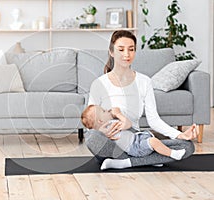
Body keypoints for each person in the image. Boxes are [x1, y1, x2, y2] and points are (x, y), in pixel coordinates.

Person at [85, 30, 198, 169]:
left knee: (187, 146)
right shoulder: (98, 84)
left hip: (136, 140)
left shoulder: (144, 81)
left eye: (131, 49)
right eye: (121, 49)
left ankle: (126, 162)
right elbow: (91, 120)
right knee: (91, 137)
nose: (126, 54)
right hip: (111, 144)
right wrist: (104, 131)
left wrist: (180, 135)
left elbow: (154, 120)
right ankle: (149, 158)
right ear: (111, 52)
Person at [81, 105, 188, 169]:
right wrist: (118, 114)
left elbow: (128, 126)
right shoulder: (106, 129)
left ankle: (153, 160)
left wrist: (117, 115)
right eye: (103, 111)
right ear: (100, 121)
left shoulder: (110, 124)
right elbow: (127, 125)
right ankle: (173, 154)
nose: (107, 110)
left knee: (152, 138)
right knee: (153, 142)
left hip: (137, 138)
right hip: (134, 147)